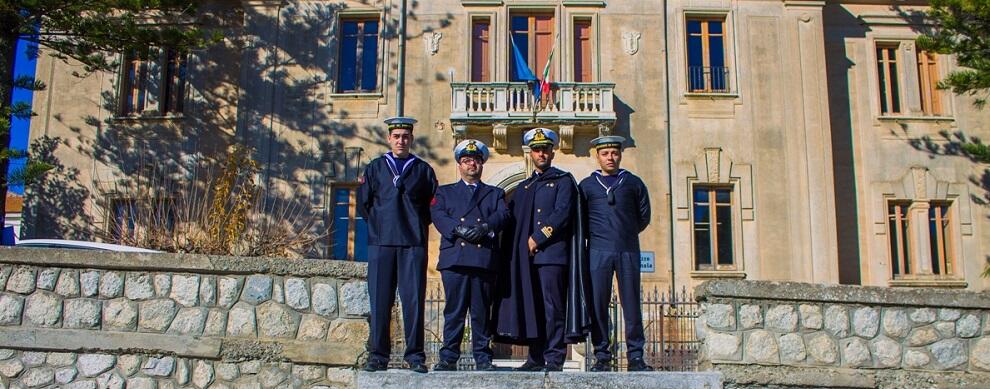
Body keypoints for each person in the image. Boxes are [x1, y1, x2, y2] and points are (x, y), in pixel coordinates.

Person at [493, 128, 579, 372]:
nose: (541, 153)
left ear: (552, 152)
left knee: (553, 307)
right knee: (532, 306)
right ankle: (535, 356)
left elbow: (562, 214)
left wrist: (538, 238)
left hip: (551, 255)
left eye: (545, 149)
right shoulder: (525, 187)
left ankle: (554, 358)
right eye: (537, 149)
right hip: (526, 259)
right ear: (530, 153)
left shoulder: (563, 181)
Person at [357, 117, 438, 373]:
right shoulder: (375, 168)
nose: (401, 140)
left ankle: (415, 356)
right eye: (397, 136)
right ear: (389, 139)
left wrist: (414, 226)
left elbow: (431, 207)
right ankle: (378, 356)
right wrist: (381, 226)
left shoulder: (423, 170)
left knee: (413, 301)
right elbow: (365, 204)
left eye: (405, 136)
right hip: (381, 244)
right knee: (380, 302)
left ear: (411, 139)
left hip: (413, 243)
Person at [430, 139, 510, 372]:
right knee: (454, 311)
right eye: (466, 161)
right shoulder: (445, 192)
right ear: (459, 165)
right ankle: (448, 357)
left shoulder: (495, 193)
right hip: (455, 258)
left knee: (481, 312)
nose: (471, 164)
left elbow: (504, 215)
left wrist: (485, 227)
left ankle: (483, 358)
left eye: (475, 160)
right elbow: (437, 214)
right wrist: (457, 229)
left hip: (482, 258)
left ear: (482, 164)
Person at [579, 135, 653, 372]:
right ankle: (602, 356)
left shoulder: (633, 183)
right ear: (597, 156)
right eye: (605, 153)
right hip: (598, 252)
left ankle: (636, 356)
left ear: (620, 155)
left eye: (614, 153)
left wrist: (626, 232)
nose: (610, 158)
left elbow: (644, 216)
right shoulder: (587, 186)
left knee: (631, 304)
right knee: (598, 304)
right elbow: (580, 220)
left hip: (627, 249)